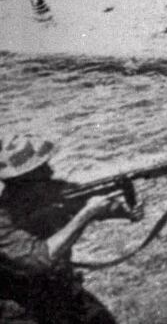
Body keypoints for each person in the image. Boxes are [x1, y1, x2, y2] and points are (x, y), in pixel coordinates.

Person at [0, 134, 140, 323]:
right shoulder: (3, 220)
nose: (50, 171)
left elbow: (87, 200)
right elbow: (41, 259)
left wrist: (125, 211)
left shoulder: (50, 193)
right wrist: (87, 214)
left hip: (62, 290)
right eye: (41, 170)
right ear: (22, 180)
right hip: (23, 309)